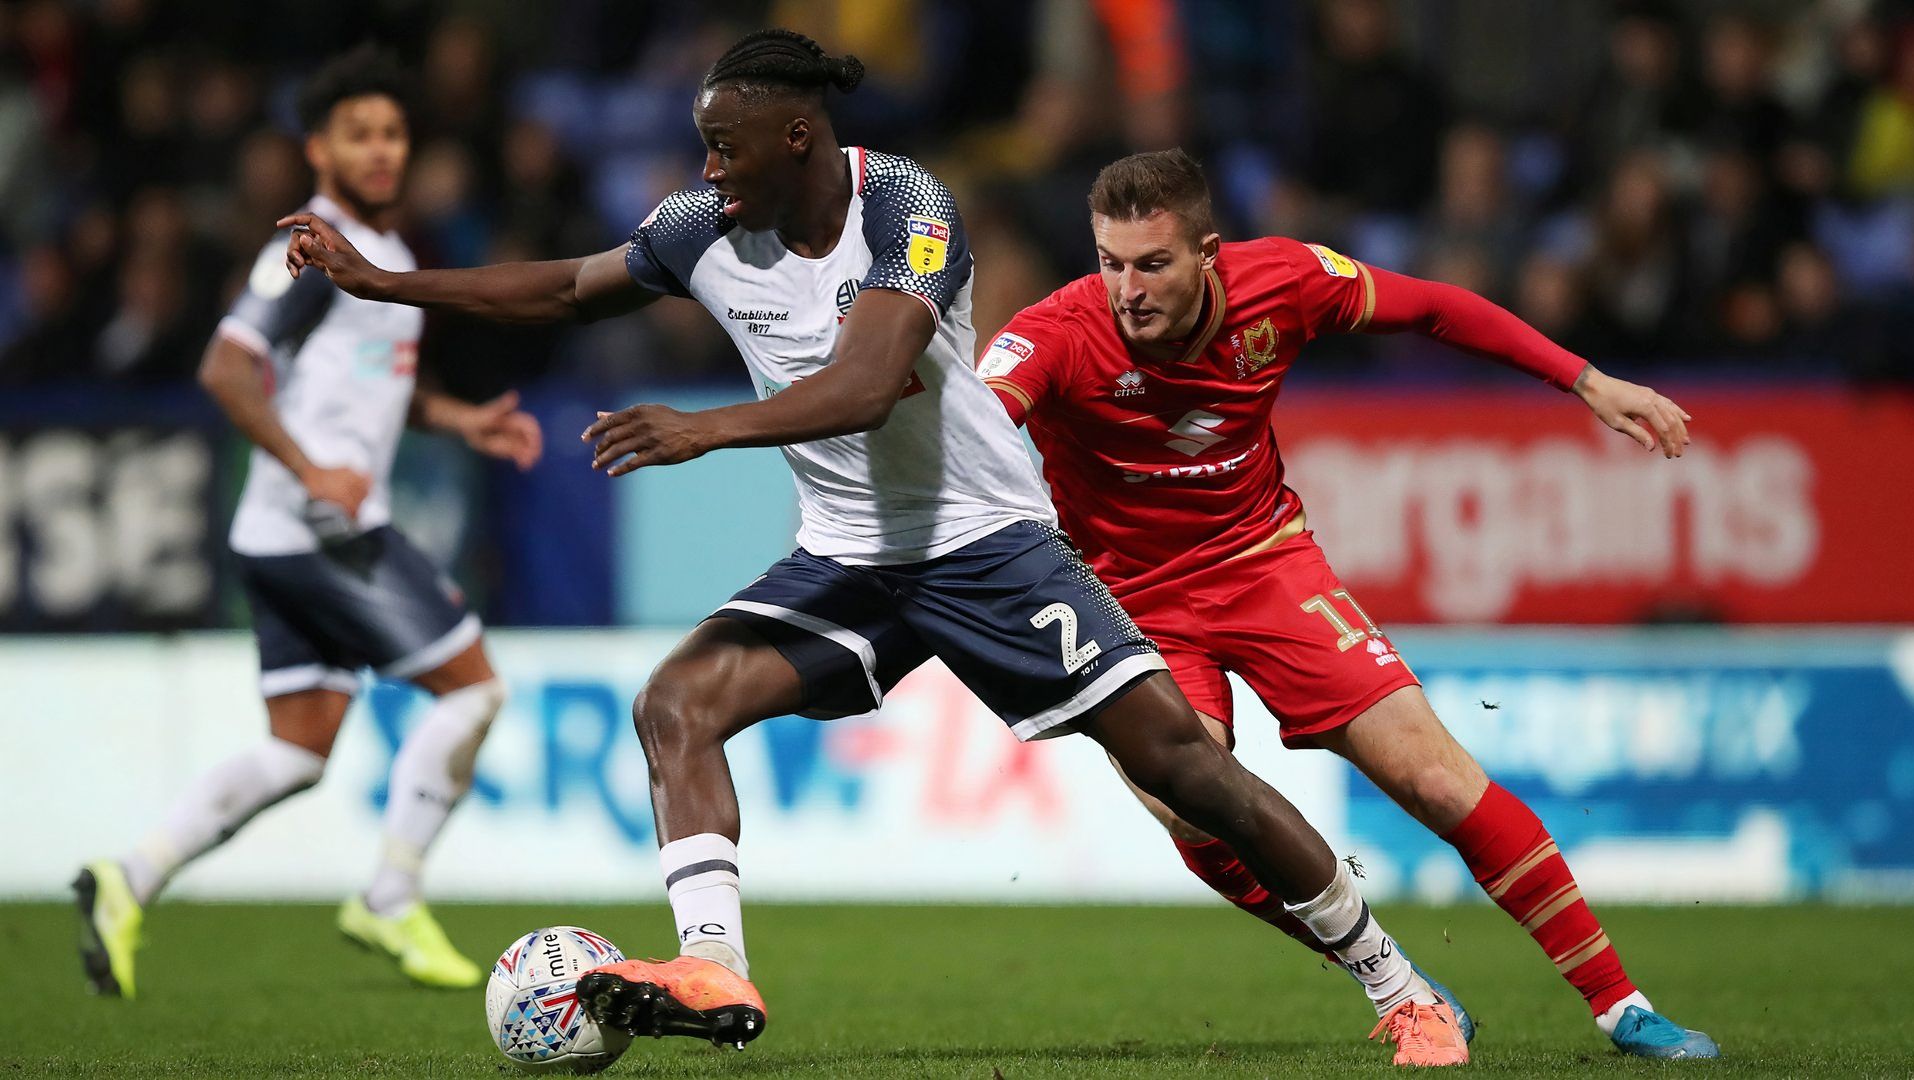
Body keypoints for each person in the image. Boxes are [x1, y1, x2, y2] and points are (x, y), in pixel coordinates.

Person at [281, 29, 1470, 1065]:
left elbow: (864, 384)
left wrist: (709, 429)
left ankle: (1401, 990)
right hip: (852, 555)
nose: (705, 169)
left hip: (987, 543)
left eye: (726, 146)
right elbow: (566, 289)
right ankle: (714, 967)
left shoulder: (906, 205)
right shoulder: (703, 225)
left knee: (1186, 771)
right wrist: (389, 286)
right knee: (676, 704)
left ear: (796, 137)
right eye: (704, 147)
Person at [975, 148, 1719, 1060]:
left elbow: (1439, 307)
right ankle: (1400, 983)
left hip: (1262, 563)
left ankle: (1621, 1005)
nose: (1128, 288)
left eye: (1153, 263)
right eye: (1110, 262)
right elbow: (969, 431)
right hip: (1128, 603)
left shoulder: (1283, 281)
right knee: (1190, 813)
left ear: (1208, 252)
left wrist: (1586, 381)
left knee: (1437, 777)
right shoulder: (1052, 333)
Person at [73, 46, 542, 999]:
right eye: (359, 134)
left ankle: (128, 879)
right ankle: (390, 893)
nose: (381, 151)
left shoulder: (388, 260)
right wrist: (308, 466)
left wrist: (460, 418)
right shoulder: (306, 250)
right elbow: (226, 368)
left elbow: (362, 392)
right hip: (322, 529)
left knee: (297, 750)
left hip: (278, 534)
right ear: (317, 149)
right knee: (475, 689)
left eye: (394, 133)